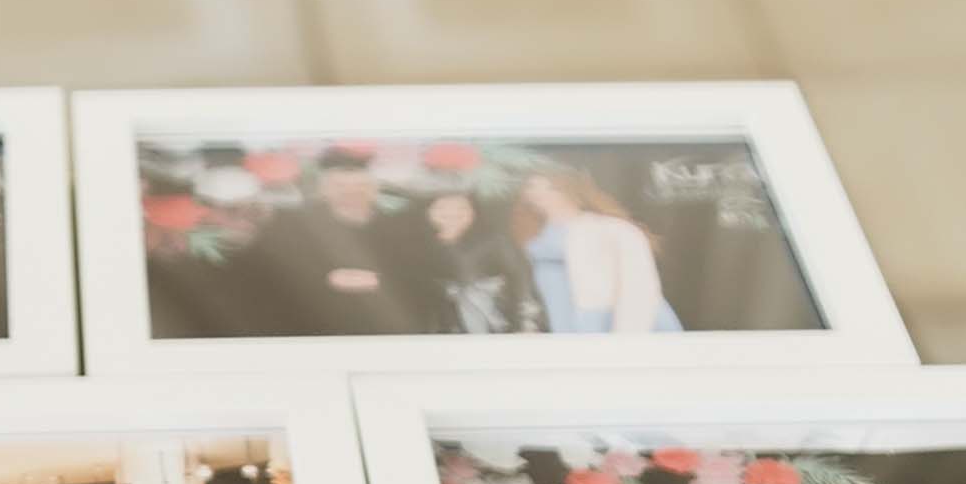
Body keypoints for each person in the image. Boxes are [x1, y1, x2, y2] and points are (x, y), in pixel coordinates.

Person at [238, 148, 432, 335]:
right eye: (340, 186)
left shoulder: (400, 226)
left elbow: (421, 274)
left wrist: (381, 281)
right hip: (314, 323)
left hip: (383, 326)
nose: (351, 192)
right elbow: (273, 271)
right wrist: (325, 279)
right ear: (323, 190)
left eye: (360, 186)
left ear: (375, 189)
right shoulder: (292, 224)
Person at [517, 169, 675, 334]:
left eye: (551, 187)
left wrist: (624, 340)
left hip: (616, 323)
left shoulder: (614, 229)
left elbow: (639, 289)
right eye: (531, 186)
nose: (539, 193)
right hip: (567, 326)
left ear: (571, 189)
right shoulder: (532, 238)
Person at [418, 187, 544, 335]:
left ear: (473, 211)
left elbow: (520, 278)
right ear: (428, 211)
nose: (452, 213)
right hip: (442, 327)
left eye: (461, 207)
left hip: (496, 321)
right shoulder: (418, 245)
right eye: (442, 207)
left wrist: (527, 323)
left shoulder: (495, 241)